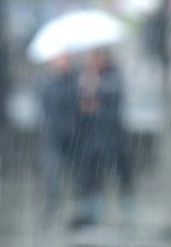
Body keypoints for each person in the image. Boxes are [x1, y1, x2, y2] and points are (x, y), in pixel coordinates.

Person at [71, 47, 130, 226]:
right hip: (90, 138)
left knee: (122, 174)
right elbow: (78, 107)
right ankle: (93, 211)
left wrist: (99, 90)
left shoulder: (113, 76)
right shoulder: (83, 77)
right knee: (92, 176)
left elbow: (114, 104)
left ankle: (126, 210)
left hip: (113, 137)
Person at [39, 52, 79, 224]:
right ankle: (53, 206)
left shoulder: (77, 82)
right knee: (52, 173)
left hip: (74, 136)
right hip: (54, 136)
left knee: (77, 173)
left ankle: (78, 208)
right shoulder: (47, 84)